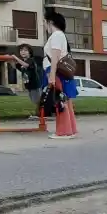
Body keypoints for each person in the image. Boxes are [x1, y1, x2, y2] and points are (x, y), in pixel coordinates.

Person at [43, 8, 78, 139]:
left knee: (59, 100)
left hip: (55, 71)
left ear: (50, 22)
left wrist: (51, 75)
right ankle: (70, 129)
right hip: (59, 72)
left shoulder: (56, 35)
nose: (44, 25)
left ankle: (63, 131)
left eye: (45, 22)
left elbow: (55, 56)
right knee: (64, 100)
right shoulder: (60, 35)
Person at [9, 43, 45, 119]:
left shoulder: (31, 60)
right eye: (21, 50)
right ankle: (38, 115)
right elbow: (15, 66)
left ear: (30, 53)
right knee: (34, 100)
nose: (23, 52)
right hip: (29, 85)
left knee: (37, 101)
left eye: (25, 50)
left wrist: (15, 58)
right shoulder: (22, 63)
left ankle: (40, 115)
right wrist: (10, 60)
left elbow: (26, 65)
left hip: (35, 85)